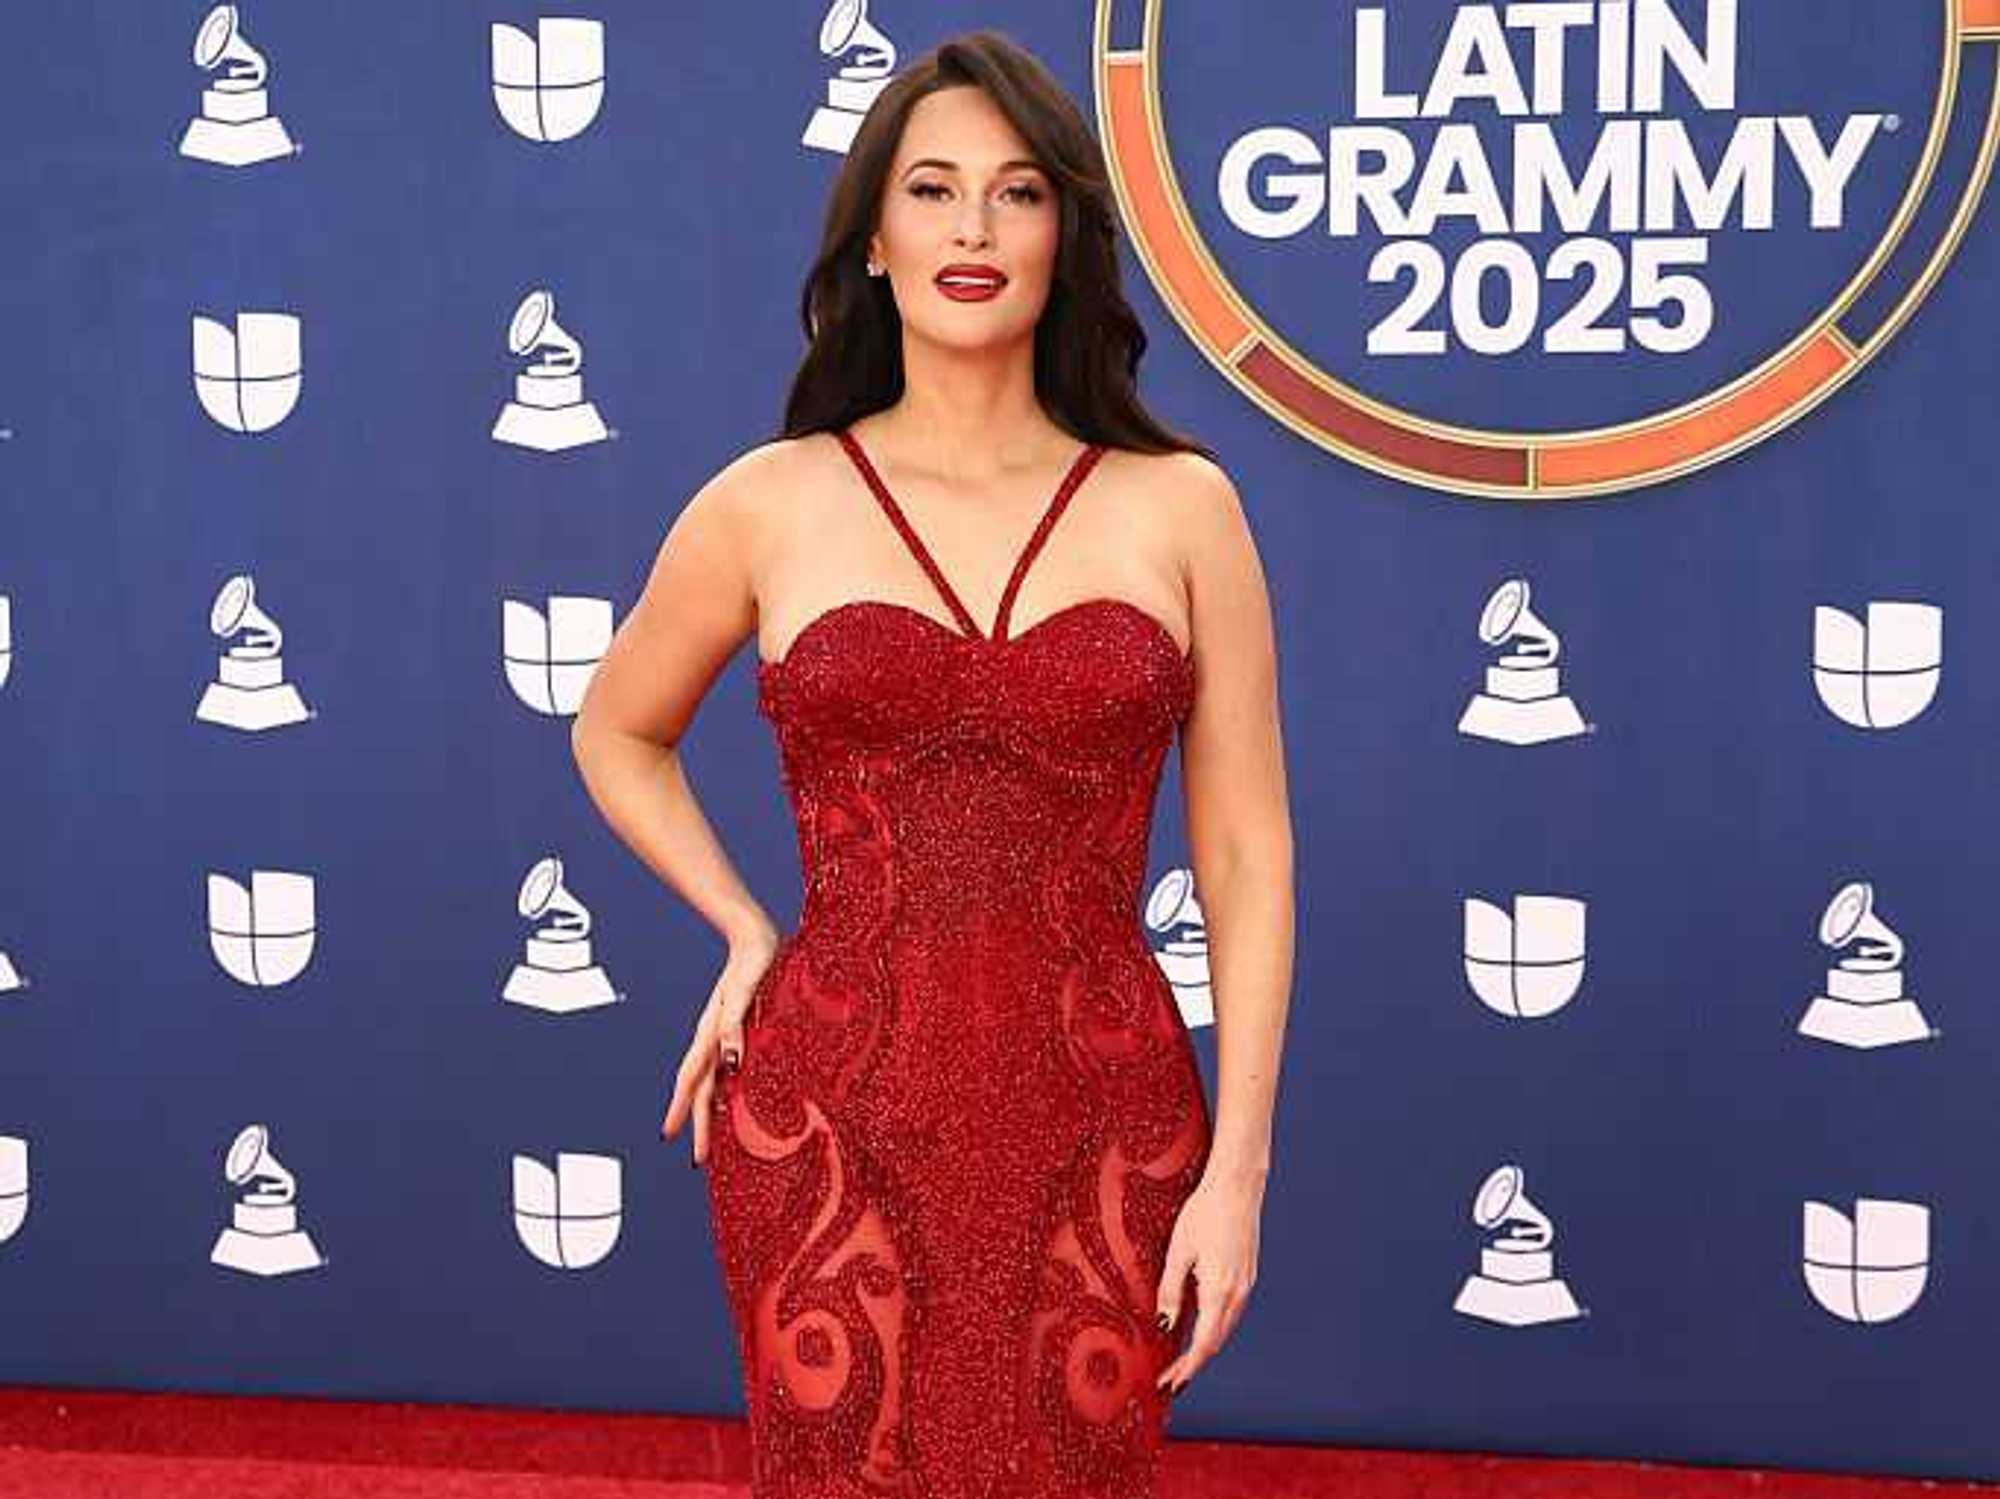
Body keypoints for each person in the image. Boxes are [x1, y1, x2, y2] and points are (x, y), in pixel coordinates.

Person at [569, 28, 1294, 1499]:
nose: (973, 227)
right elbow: (616, 729)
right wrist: (742, 924)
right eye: (933, 190)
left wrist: (1241, 1171)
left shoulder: (1184, 509)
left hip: (1105, 1125)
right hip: (830, 1117)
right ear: (876, 241)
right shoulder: (767, 504)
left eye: (1017, 193)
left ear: (1062, 240)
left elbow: (1245, 859)